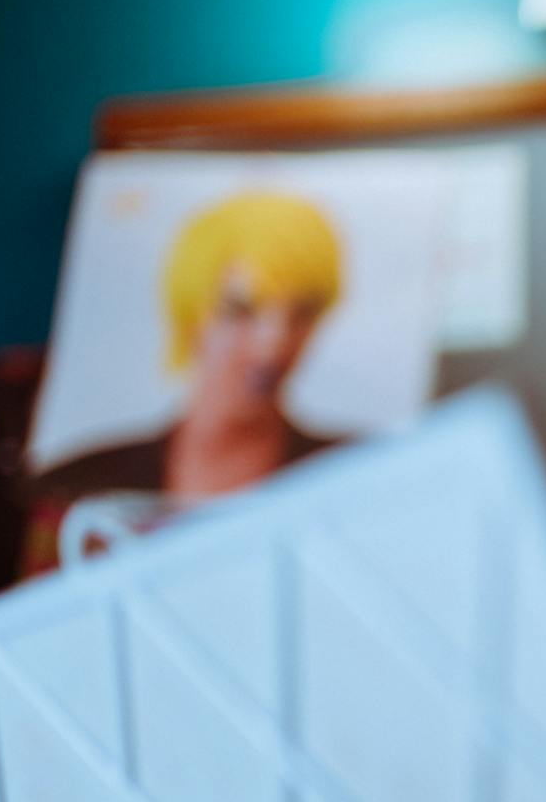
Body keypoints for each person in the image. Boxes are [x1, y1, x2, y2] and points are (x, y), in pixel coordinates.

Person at [22, 190, 344, 572]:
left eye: (301, 312)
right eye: (240, 309)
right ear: (191, 313)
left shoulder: (351, 471)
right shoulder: (80, 487)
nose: (272, 344)